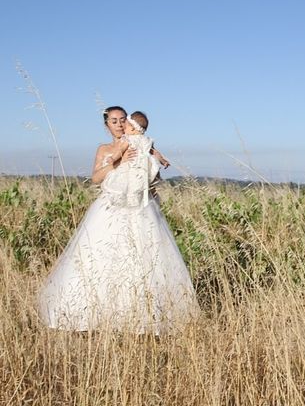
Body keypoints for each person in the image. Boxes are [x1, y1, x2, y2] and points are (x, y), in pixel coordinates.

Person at [37, 106, 199, 334]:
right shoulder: (105, 149)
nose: (119, 124)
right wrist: (118, 162)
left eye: (123, 120)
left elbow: (154, 175)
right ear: (107, 125)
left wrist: (152, 166)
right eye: (114, 121)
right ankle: (90, 315)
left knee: (142, 259)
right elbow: (95, 178)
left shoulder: (143, 145)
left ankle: (141, 318)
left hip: (140, 207)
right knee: (102, 257)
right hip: (110, 208)